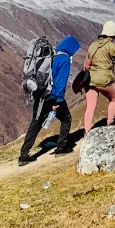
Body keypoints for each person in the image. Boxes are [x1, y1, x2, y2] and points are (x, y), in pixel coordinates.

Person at [19, 36, 78, 166]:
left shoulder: (53, 55)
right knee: (66, 119)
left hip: (40, 93)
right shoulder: (64, 59)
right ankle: (61, 148)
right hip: (52, 96)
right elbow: (60, 82)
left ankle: (24, 154)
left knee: (36, 122)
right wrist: (58, 100)